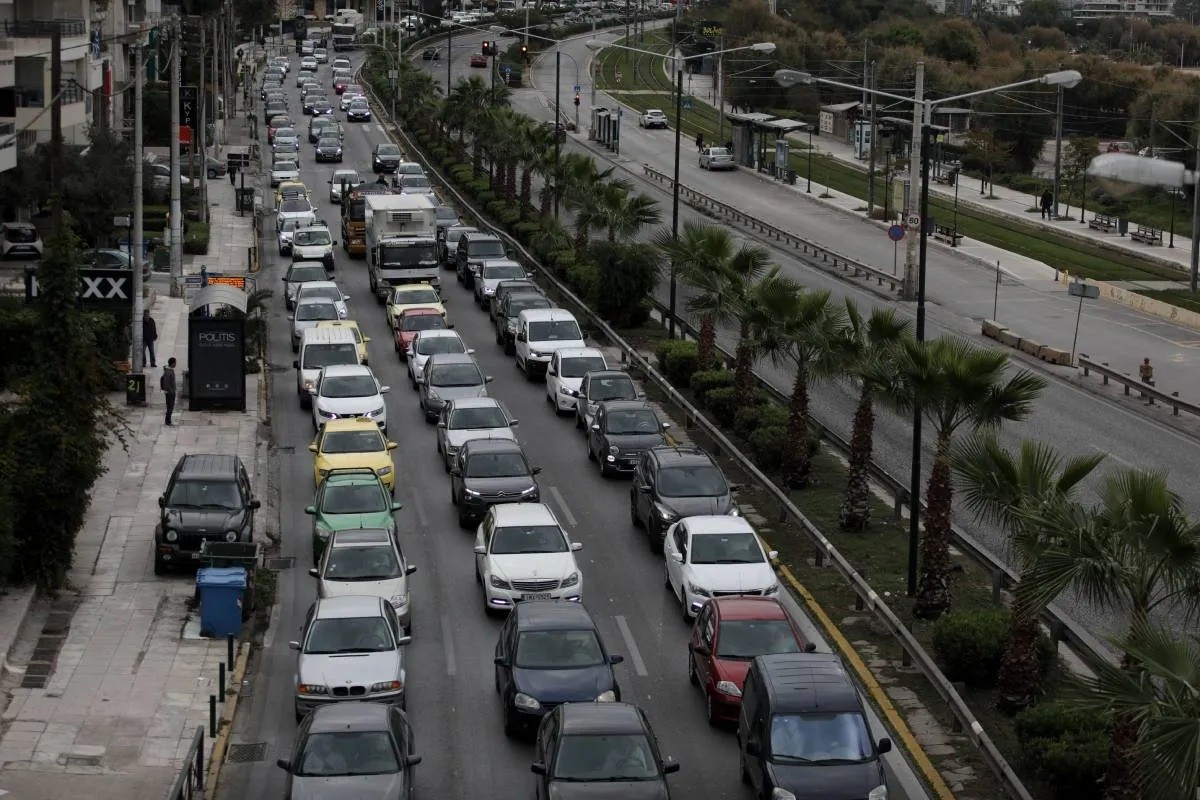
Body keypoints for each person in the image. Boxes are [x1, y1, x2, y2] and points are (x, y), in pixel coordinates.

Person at [160, 357, 177, 426]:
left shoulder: (170, 370)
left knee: (170, 407)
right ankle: (168, 421)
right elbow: (167, 383)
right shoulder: (168, 372)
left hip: (171, 391)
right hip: (170, 392)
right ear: (172, 363)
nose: (176, 364)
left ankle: (168, 420)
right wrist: (171, 391)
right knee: (170, 407)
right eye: (175, 362)